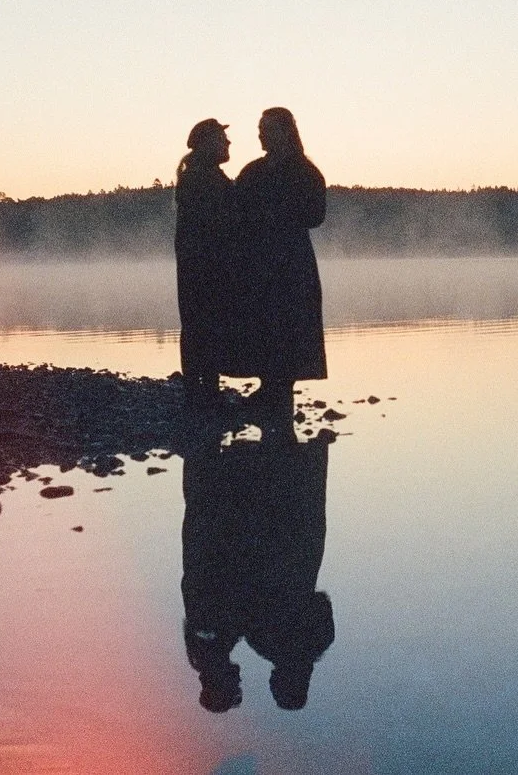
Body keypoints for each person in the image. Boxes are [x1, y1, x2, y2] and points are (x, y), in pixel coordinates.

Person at [180, 419, 335, 712]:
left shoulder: (314, 640)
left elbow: (321, 603)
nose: (240, 680)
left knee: (292, 510)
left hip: (294, 554)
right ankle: (249, 442)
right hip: (236, 556)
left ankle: (280, 441)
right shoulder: (252, 641)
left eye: (234, 686)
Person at [234, 107, 327, 408]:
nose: (260, 133)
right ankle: (269, 384)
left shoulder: (306, 172)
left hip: (292, 263)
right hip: (258, 261)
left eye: (266, 128)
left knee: (290, 323)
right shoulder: (252, 172)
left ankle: (281, 387)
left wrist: (276, 215)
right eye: (259, 128)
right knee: (261, 321)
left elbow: (315, 215)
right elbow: (236, 213)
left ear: (285, 132)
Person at [174, 119, 239, 405]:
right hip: (204, 266)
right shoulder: (203, 179)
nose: (228, 143)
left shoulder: (201, 175)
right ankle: (203, 392)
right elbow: (220, 222)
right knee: (205, 324)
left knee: (199, 325)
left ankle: (201, 389)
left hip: (199, 264)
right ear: (207, 143)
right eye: (222, 138)